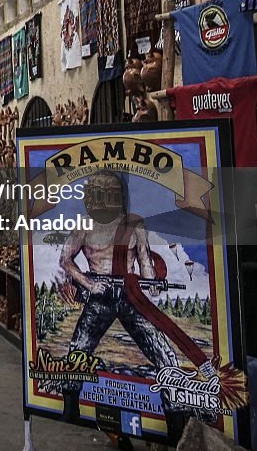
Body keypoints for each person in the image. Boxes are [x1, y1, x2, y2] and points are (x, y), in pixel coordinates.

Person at [58, 171, 178, 421]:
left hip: (129, 293)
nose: (105, 201)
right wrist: (89, 284)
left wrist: (152, 283)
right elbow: (66, 260)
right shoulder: (85, 225)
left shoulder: (134, 224)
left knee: (162, 350)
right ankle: (71, 407)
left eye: (110, 195)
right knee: (78, 352)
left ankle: (175, 412)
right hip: (100, 295)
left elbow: (145, 260)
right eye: (99, 195)